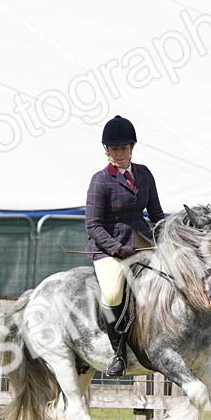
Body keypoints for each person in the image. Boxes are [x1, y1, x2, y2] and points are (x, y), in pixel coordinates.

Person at [85, 115, 165, 376]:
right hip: (108, 250)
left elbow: (156, 214)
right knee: (111, 294)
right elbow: (93, 225)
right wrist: (118, 250)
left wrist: (165, 241)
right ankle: (118, 352)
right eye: (114, 149)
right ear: (106, 150)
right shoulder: (100, 181)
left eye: (124, 148)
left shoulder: (144, 175)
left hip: (143, 244)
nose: (119, 153)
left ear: (132, 147)